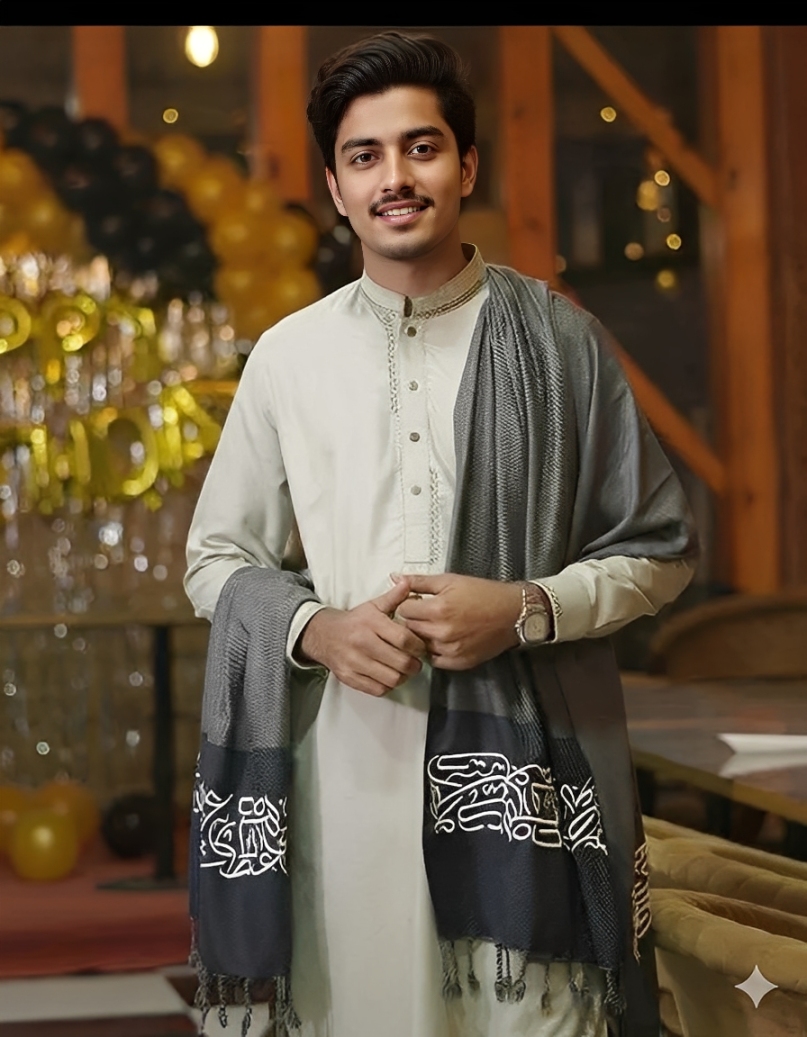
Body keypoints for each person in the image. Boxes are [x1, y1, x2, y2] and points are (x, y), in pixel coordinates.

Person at [185, 30, 697, 1037]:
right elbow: (216, 557)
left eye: (420, 148)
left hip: (530, 795)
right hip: (343, 784)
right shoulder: (289, 357)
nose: (395, 178)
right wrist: (312, 628)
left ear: (466, 165)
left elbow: (661, 550)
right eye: (364, 156)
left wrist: (523, 608)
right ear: (335, 186)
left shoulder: (563, 344)